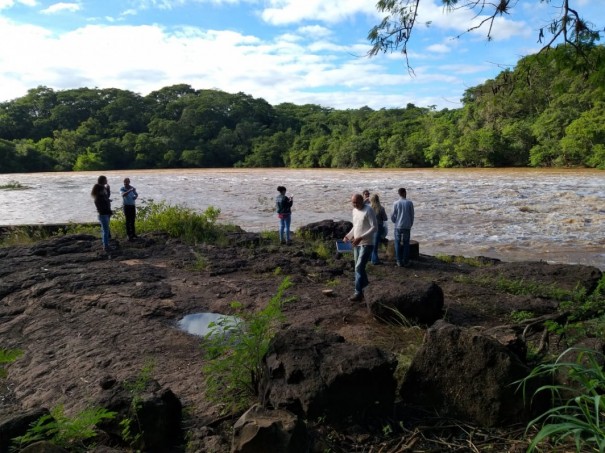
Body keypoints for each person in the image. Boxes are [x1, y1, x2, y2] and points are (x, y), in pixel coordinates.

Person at [344, 193, 377, 301]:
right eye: (353, 202)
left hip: (367, 243)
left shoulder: (369, 210)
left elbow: (374, 227)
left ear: (362, 201)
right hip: (356, 243)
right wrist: (348, 236)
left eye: (357, 202)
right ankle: (367, 288)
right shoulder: (354, 211)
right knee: (358, 268)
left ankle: (358, 292)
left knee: (358, 267)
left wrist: (361, 237)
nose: (355, 204)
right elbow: (356, 226)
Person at [391, 187, 415, 267]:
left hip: (398, 225)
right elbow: (412, 215)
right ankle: (406, 261)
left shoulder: (396, 203)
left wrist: (395, 221)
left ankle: (399, 261)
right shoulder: (409, 203)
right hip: (407, 225)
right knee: (406, 243)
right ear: (405, 193)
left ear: (399, 194)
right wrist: (411, 223)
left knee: (397, 243)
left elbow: (392, 215)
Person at [91, 175, 112, 252]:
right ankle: (105, 246)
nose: (107, 180)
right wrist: (107, 201)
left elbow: (107, 196)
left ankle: (106, 244)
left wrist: (108, 190)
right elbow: (104, 200)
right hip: (103, 214)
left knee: (105, 230)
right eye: (106, 179)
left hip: (105, 213)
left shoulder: (100, 195)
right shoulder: (99, 196)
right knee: (105, 230)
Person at [369, 194, 388, 265]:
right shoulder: (381, 208)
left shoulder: (369, 208)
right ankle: (375, 260)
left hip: (370, 227)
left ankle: (370, 258)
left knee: (370, 244)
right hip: (378, 227)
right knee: (375, 244)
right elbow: (385, 218)